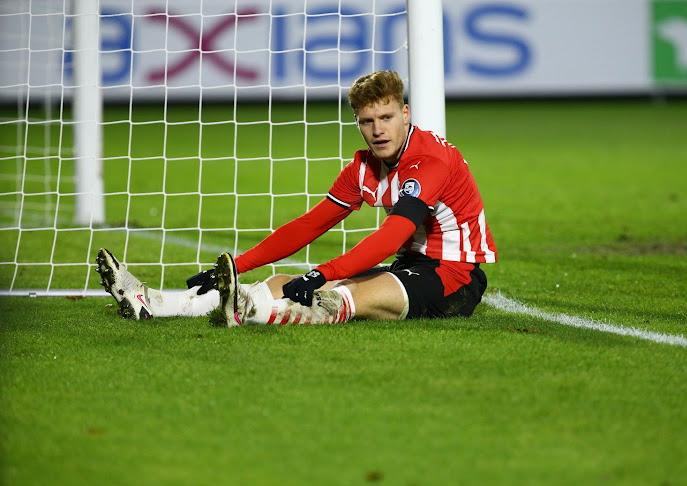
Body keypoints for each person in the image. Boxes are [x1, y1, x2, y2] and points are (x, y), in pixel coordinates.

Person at [96, 70, 496, 326]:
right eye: (367, 121)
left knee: (344, 294)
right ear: (358, 123)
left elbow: (391, 237)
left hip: (454, 274)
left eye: (387, 118)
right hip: (411, 263)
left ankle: (248, 312)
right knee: (280, 283)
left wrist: (321, 272)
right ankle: (154, 303)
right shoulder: (362, 168)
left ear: (405, 114)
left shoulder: (429, 160)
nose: (378, 130)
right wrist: (240, 263)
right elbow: (309, 225)